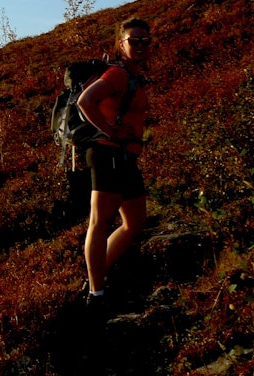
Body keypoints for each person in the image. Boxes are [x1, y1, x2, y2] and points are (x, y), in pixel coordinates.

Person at [76, 17, 152, 309]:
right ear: (121, 44)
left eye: (145, 41)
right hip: (107, 153)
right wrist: (111, 131)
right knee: (100, 221)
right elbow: (85, 101)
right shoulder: (117, 74)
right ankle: (97, 293)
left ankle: (98, 273)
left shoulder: (134, 76)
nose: (141, 46)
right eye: (134, 41)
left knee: (135, 221)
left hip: (124, 157)